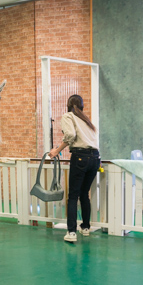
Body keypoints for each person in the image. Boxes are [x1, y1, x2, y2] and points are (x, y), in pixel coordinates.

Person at [48, 94, 100, 243]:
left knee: (73, 196)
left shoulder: (68, 116)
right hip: (95, 158)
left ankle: (71, 232)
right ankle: (85, 227)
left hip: (80, 157)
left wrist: (57, 151)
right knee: (84, 193)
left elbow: (70, 135)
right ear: (82, 106)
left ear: (68, 105)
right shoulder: (86, 120)